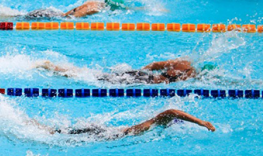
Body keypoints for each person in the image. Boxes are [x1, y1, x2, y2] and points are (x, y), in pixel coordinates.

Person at [30, 109, 215, 140]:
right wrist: (200, 122)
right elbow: (171, 111)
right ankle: (32, 125)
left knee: (58, 132)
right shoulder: (153, 123)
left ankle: (36, 125)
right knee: (54, 134)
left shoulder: (152, 126)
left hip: (105, 133)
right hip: (103, 133)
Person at [35, 58, 216, 85]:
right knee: (96, 78)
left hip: (141, 76)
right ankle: (52, 67)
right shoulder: (188, 73)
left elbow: (153, 65)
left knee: (96, 76)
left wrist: (138, 71)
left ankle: (56, 67)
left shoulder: (182, 62)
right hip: (142, 80)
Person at [0, 0, 127, 19]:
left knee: (8, 14)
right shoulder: (95, 5)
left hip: (50, 13)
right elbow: (73, 15)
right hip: (49, 16)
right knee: (6, 17)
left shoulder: (94, 3)